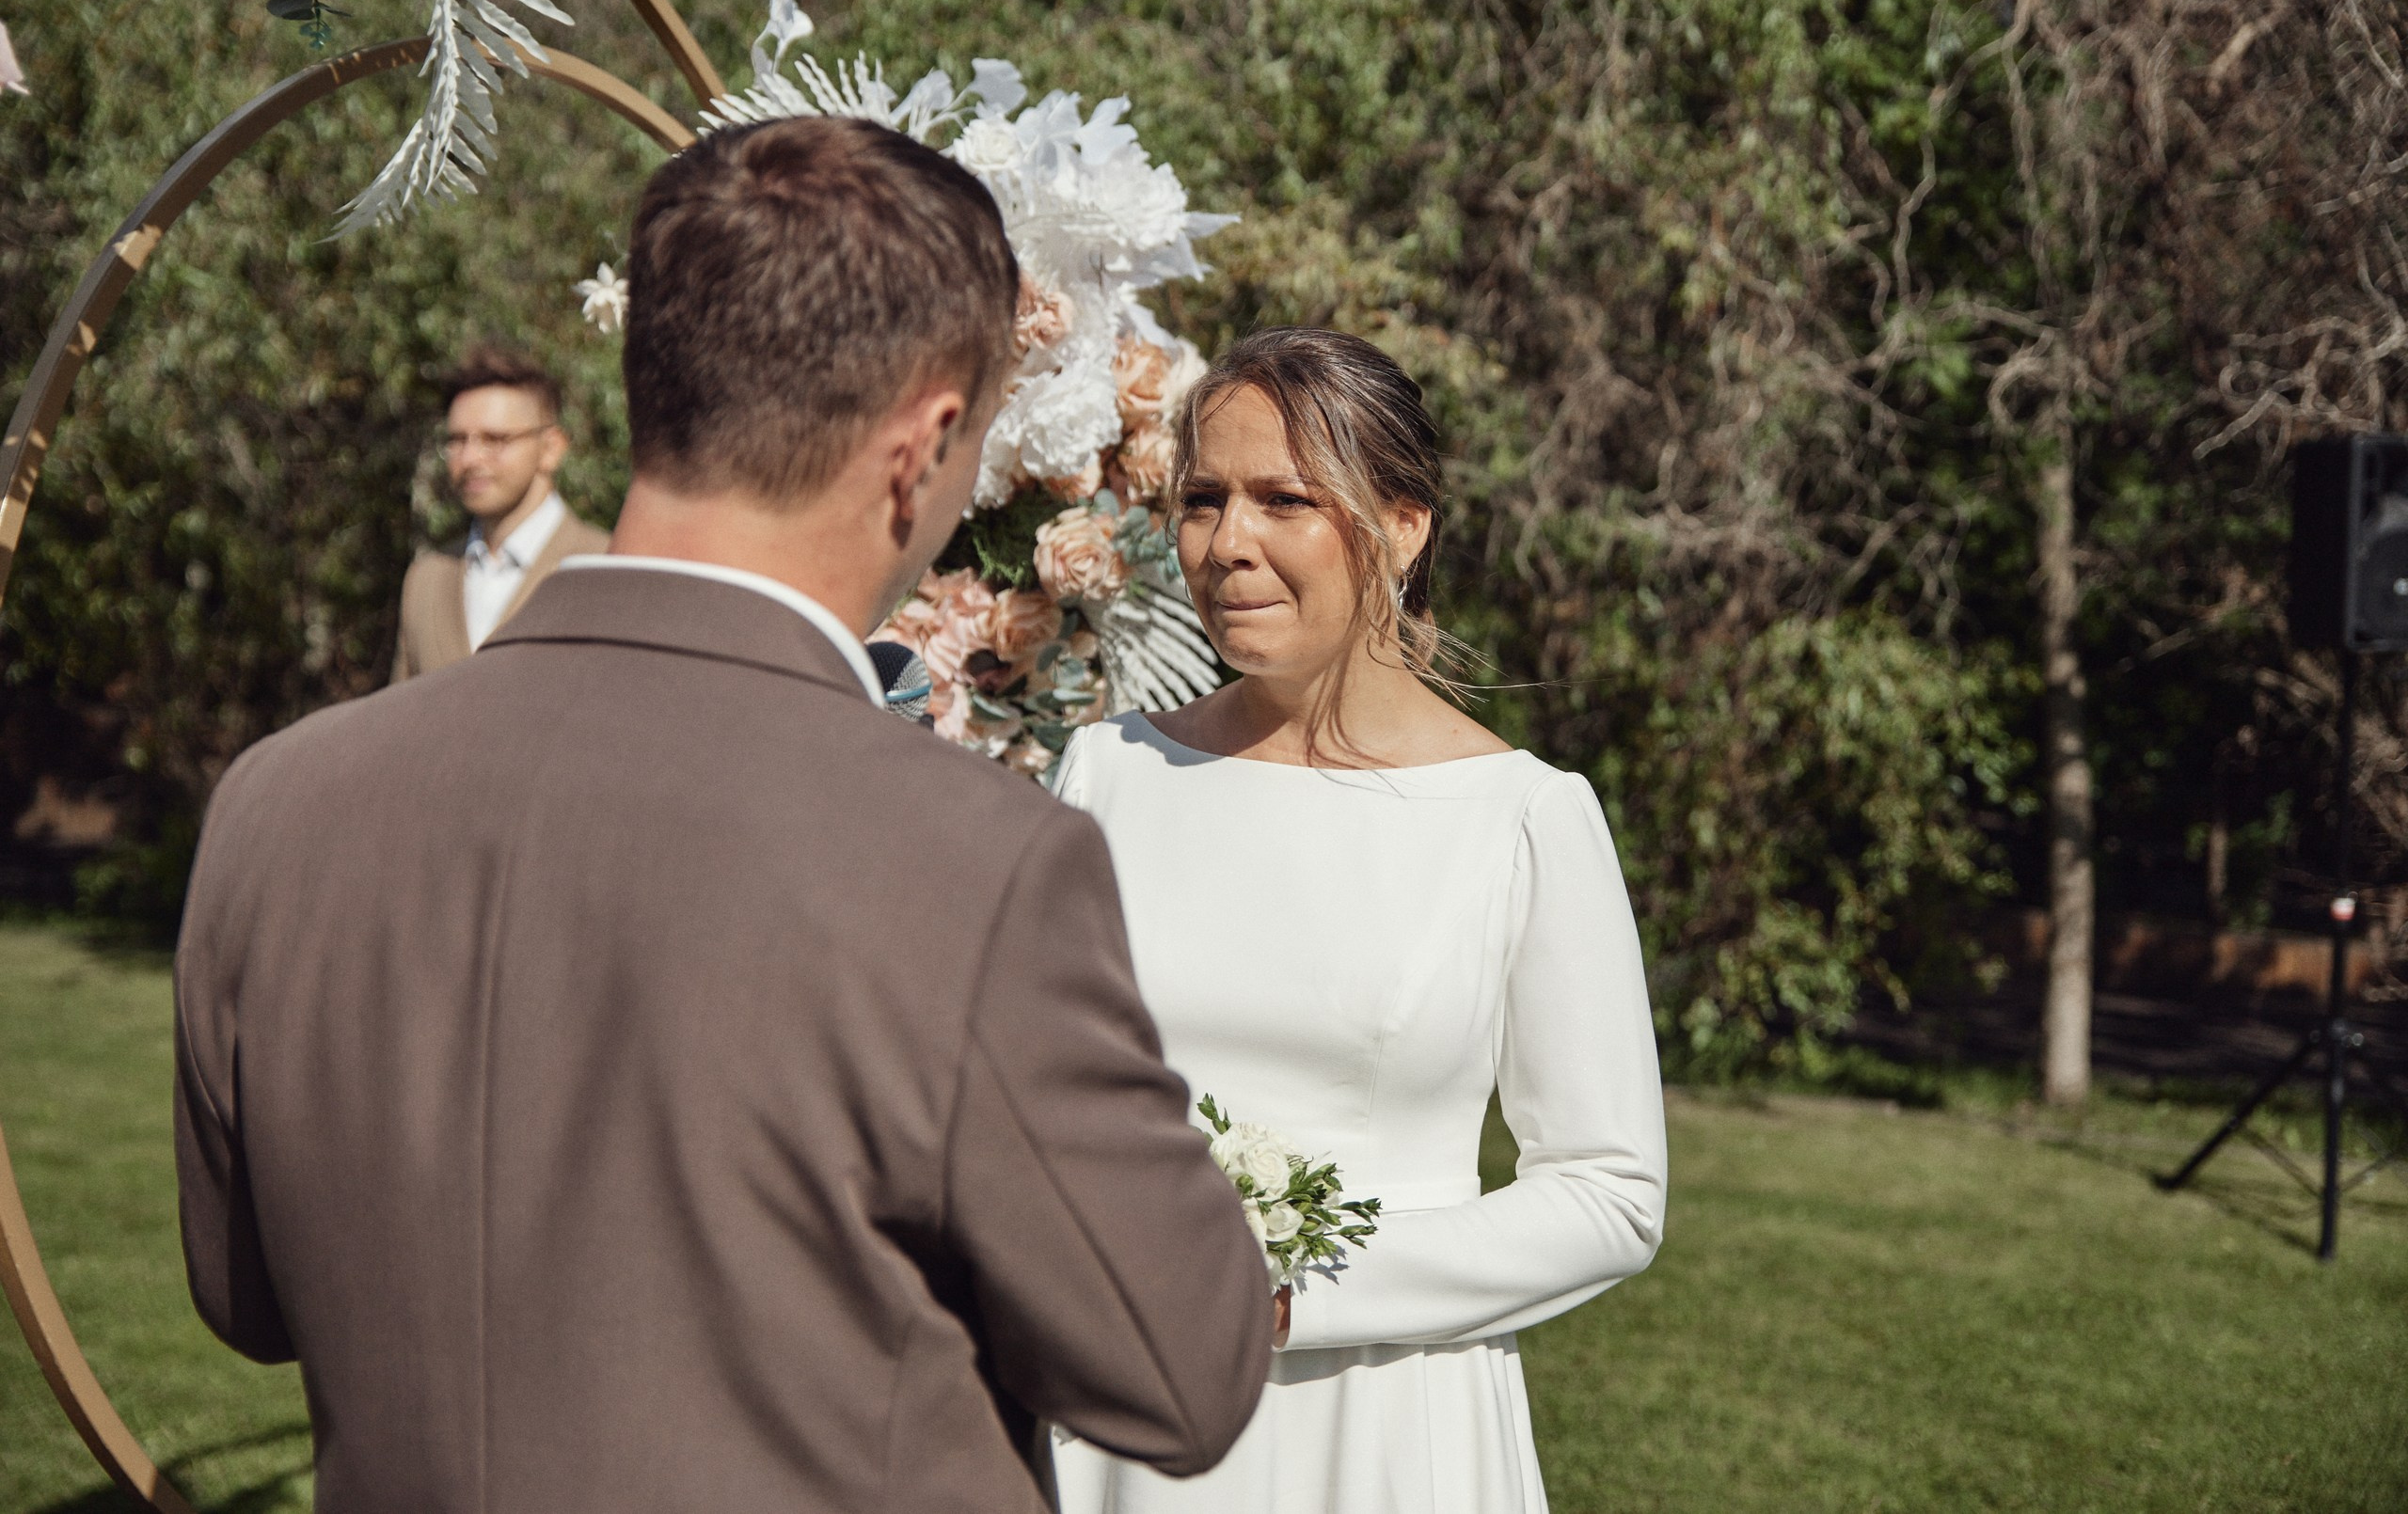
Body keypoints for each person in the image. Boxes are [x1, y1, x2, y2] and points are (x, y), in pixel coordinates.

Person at [173, 117, 1274, 1514]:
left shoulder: (278, 801)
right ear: (928, 442)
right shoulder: (970, 863)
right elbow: (1183, 1371)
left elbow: (245, 1295)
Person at [1050, 328, 1668, 1514]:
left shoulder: (1520, 818)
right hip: (1113, 1409)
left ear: (1401, 525)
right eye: (1202, 499)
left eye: (1284, 500)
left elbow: (1609, 1193)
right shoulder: (1105, 774)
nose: (1227, 543)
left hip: (1384, 1419)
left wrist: (1287, 1298)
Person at [389, 345, 610, 682]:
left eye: (494, 439)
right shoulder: (426, 580)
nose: (470, 459)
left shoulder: (605, 566)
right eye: (457, 440)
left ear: (551, 448)